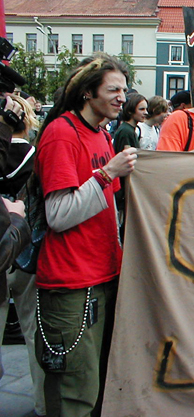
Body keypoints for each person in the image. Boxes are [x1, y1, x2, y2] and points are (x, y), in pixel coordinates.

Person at [34, 53, 138, 417]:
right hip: (71, 286)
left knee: (92, 389)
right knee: (74, 395)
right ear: (87, 92)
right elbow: (58, 215)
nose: (122, 97)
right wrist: (107, 175)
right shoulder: (61, 134)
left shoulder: (101, 135)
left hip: (101, 279)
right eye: (113, 89)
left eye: (124, 90)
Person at [0, 94, 46, 417]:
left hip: (3, 249)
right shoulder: (35, 155)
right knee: (33, 333)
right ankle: (43, 405)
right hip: (27, 252)